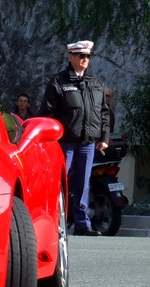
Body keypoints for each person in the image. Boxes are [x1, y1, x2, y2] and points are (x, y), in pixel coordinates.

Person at [38, 40, 110, 236]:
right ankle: (52, 223)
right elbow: (47, 112)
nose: (85, 59)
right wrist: (52, 137)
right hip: (65, 143)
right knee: (57, 183)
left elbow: (103, 112)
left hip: (87, 143)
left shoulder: (95, 83)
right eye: (81, 56)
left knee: (82, 184)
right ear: (71, 57)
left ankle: (81, 224)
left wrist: (104, 137)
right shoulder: (58, 81)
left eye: (87, 56)